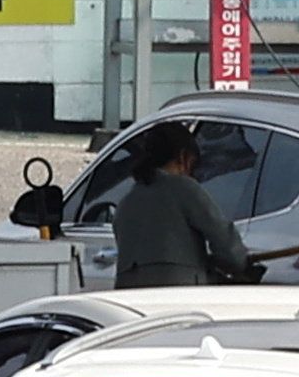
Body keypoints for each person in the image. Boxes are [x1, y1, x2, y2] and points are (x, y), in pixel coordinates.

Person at [104, 118, 255, 289]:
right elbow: (222, 239)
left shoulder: (126, 203)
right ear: (184, 157)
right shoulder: (184, 188)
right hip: (178, 295)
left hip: (132, 298)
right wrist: (242, 264)